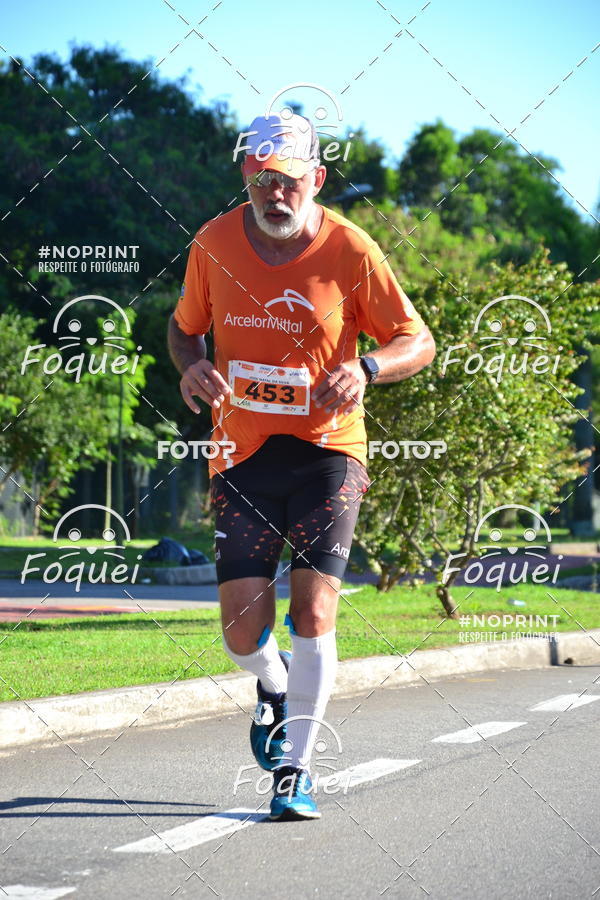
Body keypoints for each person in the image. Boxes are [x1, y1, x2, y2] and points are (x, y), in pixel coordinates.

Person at [168, 112, 435, 820]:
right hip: (242, 454)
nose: (274, 193)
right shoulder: (214, 243)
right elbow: (184, 328)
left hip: (328, 453)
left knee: (314, 609)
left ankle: (296, 771)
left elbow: (418, 339)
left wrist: (367, 367)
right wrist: (192, 366)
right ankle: (272, 682)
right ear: (245, 177)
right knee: (239, 635)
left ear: (315, 178)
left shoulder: (351, 249)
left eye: (288, 180)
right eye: (261, 179)